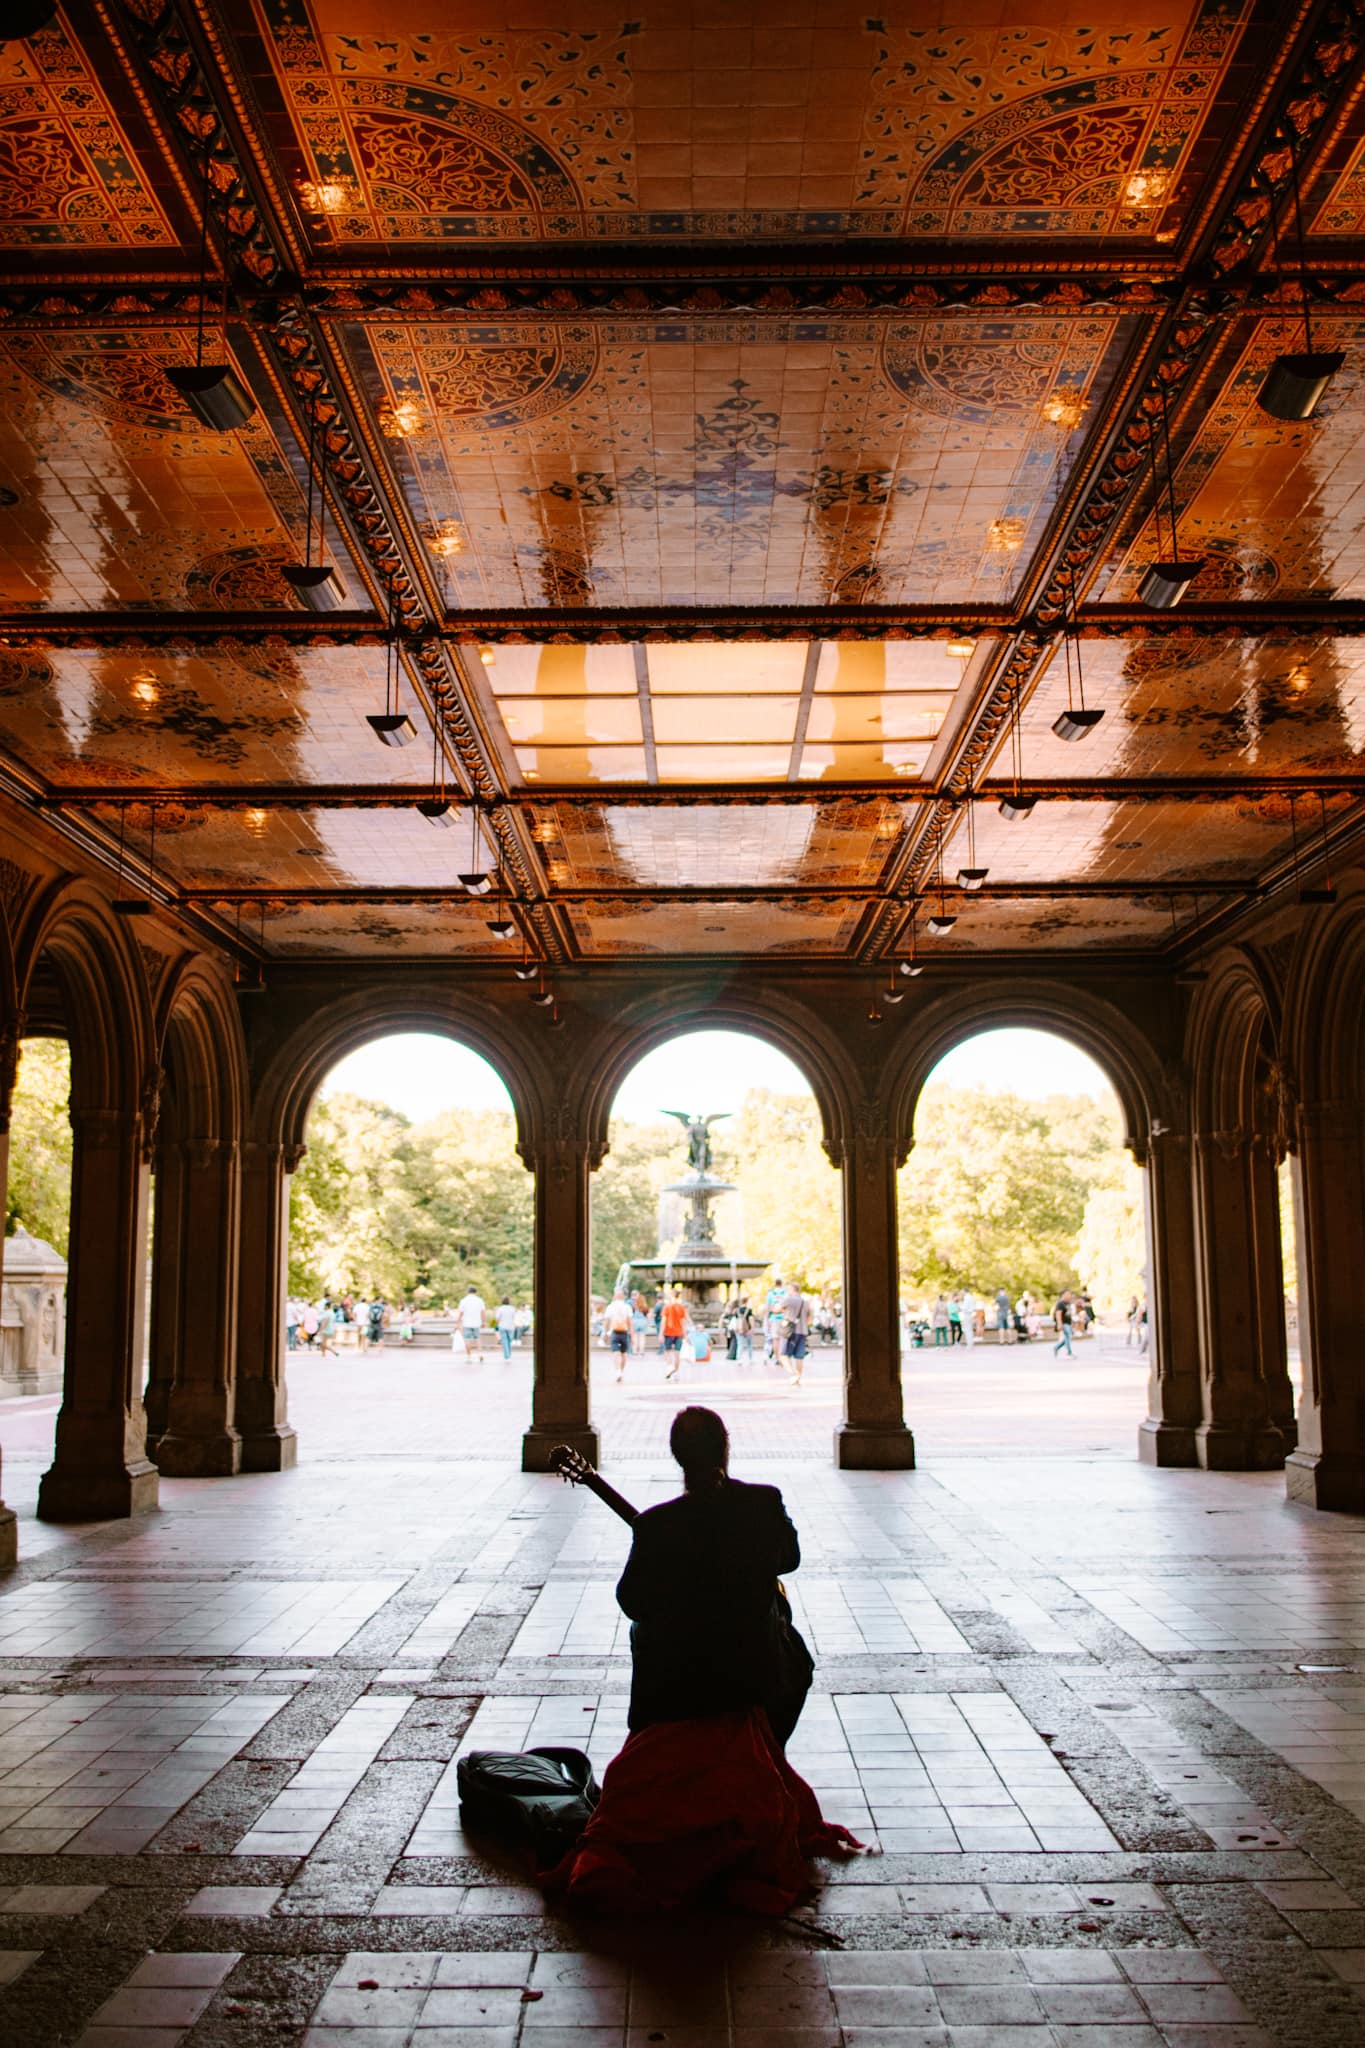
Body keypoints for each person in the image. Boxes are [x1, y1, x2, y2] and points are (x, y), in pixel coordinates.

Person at [616, 1406, 813, 1747]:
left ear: (677, 1455)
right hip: (755, 1671)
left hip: (680, 1674)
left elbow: (631, 1601)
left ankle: (652, 1733)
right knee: (795, 1656)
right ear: (725, 1447)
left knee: (641, 1630)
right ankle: (769, 1747)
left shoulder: (654, 1524)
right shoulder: (764, 1501)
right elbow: (790, 1560)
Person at [780, 1280, 809, 1386]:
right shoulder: (805, 1302)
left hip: (790, 1331)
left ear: (792, 1289)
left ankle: (792, 1375)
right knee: (799, 1357)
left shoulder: (789, 1299)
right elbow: (809, 1318)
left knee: (783, 1355)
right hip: (803, 1331)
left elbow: (776, 1309)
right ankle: (797, 1379)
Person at [603, 1287, 633, 1383]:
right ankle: (621, 1371)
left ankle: (618, 1371)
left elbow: (606, 1321)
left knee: (616, 1352)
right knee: (624, 1353)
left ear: (615, 1296)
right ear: (623, 1296)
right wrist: (632, 1334)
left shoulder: (610, 1307)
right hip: (624, 1332)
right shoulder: (627, 1307)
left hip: (614, 1332)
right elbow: (630, 1322)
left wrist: (605, 1333)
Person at [659, 1288, 688, 1380]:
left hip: (668, 1332)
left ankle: (670, 1366)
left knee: (667, 1351)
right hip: (678, 1333)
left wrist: (661, 1333)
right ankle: (676, 1372)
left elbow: (663, 1321)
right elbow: (683, 1321)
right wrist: (685, 1333)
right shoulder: (681, 1307)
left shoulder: (667, 1307)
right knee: (677, 1353)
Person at [458, 1285, 485, 1355]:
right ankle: (480, 1354)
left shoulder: (463, 1300)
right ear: (476, 1292)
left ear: (468, 1292)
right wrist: (483, 1322)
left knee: (467, 1339)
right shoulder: (480, 1300)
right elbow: (483, 1312)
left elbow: (461, 1313)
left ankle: (469, 1356)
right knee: (478, 1339)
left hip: (466, 1323)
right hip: (477, 1323)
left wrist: (458, 1322)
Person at [495, 1295, 518, 1362]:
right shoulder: (512, 1308)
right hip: (510, 1327)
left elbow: (497, 1318)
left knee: (504, 1341)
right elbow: (514, 1317)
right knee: (509, 1341)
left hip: (502, 1326)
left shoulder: (500, 1309)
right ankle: (509, 1355)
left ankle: (507, 1356)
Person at [1053, 1290, 1074, 1356]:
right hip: (1064, 1323)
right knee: (1068, 1336)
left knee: (1068, 1337)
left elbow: (1069, 1314)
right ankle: (1069, 1352)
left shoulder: (1068, 1303)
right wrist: (1059, 1324)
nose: (1069, 1296)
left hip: (1068, 1323)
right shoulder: (1060, 1303)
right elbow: (1058, 1314)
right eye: (1068, 1294)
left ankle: (1057, 1347)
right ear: (1063, 1295)